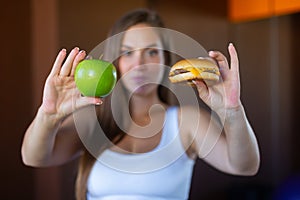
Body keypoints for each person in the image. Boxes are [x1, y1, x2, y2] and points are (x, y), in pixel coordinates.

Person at [21, 8, 260, 200]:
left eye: (152, 52)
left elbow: (244, 165)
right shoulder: (92, 120)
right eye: (127, 53)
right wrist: (48, 115)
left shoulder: (186, 122)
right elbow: (34, 157)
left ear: (165, 59)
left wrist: (232, 112)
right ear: (115, 63)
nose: (140, 64)